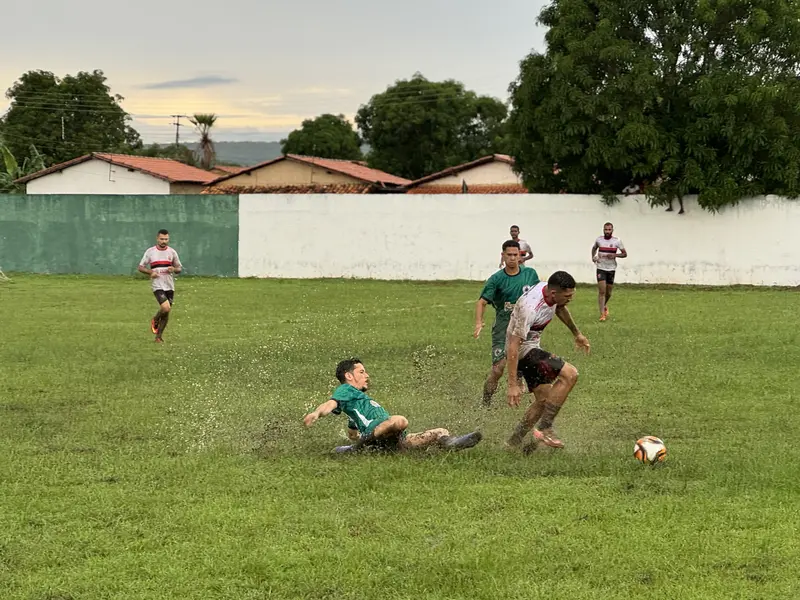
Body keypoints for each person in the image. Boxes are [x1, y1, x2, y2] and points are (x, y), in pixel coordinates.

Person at [303, 358, 483, 453]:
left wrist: (354, 437)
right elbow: (330, 404)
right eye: (362, 372)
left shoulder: (357, 402)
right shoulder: (345, 390)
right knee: (399, 420)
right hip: (382, 435)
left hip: (395, 438)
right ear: (349, 376)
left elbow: (352, 433)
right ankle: (358, 449)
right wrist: (316, 413)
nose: (367, 375)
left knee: (440, 431)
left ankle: (451, 444)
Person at [504, 271, 591, 451]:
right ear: (553, 293)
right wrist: (512, 383)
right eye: (567, 296)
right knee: (570, 374)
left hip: (529, 348)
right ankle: (545, 428)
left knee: (544, 400)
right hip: (522, 351)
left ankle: (512, 443)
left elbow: (559, 307)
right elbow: (513, 346)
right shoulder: (530, 309)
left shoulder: (551, 293)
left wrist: (577, 334)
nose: (570, 299)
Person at [475, 240, 540, 406]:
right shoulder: (496, 279)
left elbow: (538, 297)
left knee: (529, 363)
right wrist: (479, 322)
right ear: (503, 256)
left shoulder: (530, 274)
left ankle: (533, 399)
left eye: (515, 255)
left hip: (523, 327)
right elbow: (482, 302)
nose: (512, 258)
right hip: (503, 328)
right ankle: (486, 403)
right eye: (509, 255)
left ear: (520, 256)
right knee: (498, 370)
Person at [137, 229, 183, 343]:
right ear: (157, 238)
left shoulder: (172, 252)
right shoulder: (150, 252)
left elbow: (179, 268)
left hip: (169, 285)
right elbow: (141, 267)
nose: (164, 241)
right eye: (162, 239)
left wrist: (174, 269)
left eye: (166, 239)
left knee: (166, 312)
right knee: (165, 307)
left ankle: (158, 337)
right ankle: (156, 319)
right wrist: (150, 272)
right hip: (157, 285)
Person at [591, 222, 627, 321]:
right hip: (601, 268)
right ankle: (602, 314)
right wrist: (593, 257)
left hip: (611, 269)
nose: (607, 231)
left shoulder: (617, 241)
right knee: (602, 291)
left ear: (612, 230)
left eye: (609, 230)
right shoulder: (599, 240)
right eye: (606, 229)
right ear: (603, 230)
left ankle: (604, 306)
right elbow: (594, 248)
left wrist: (615, 255)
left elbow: (624, 254)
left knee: (609, 292)